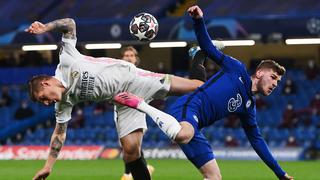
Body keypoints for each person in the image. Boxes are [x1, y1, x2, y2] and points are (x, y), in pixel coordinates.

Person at [114, 5, 294, 180]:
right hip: (189, 107)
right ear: (260, 72)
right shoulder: (237, 69)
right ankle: (140, 104)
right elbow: (210, 47)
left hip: (195, 127)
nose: (275, 84)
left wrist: (279, 173)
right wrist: (199, 21)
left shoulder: (249, 107)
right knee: (184, 133)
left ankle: (197, 56)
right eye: (273, 77)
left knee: (214, 176)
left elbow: (257, 141)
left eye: (277, 81)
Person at [25, 18, 205, 180]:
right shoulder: (63, 103)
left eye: (43, 98)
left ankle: (199, 55)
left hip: (135, 79)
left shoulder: (66, 60)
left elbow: (70, 24)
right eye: (43, 102)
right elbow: (59, 134)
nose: (47, 103)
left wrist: (46, 27)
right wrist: (48, 166)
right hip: (124, 101)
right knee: (131, 152)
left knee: (197, 86)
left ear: (47, 84)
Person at [118, 46, 154, 180]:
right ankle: (142, 170)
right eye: (126, 55)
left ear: (136, 59)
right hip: (120, 112)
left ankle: (128, 174)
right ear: (121, 58)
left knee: (132, 147)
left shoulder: (141, 74)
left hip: (136, 113)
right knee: (129, 147)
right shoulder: (117, 74)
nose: (128, 57)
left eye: (131, 55)